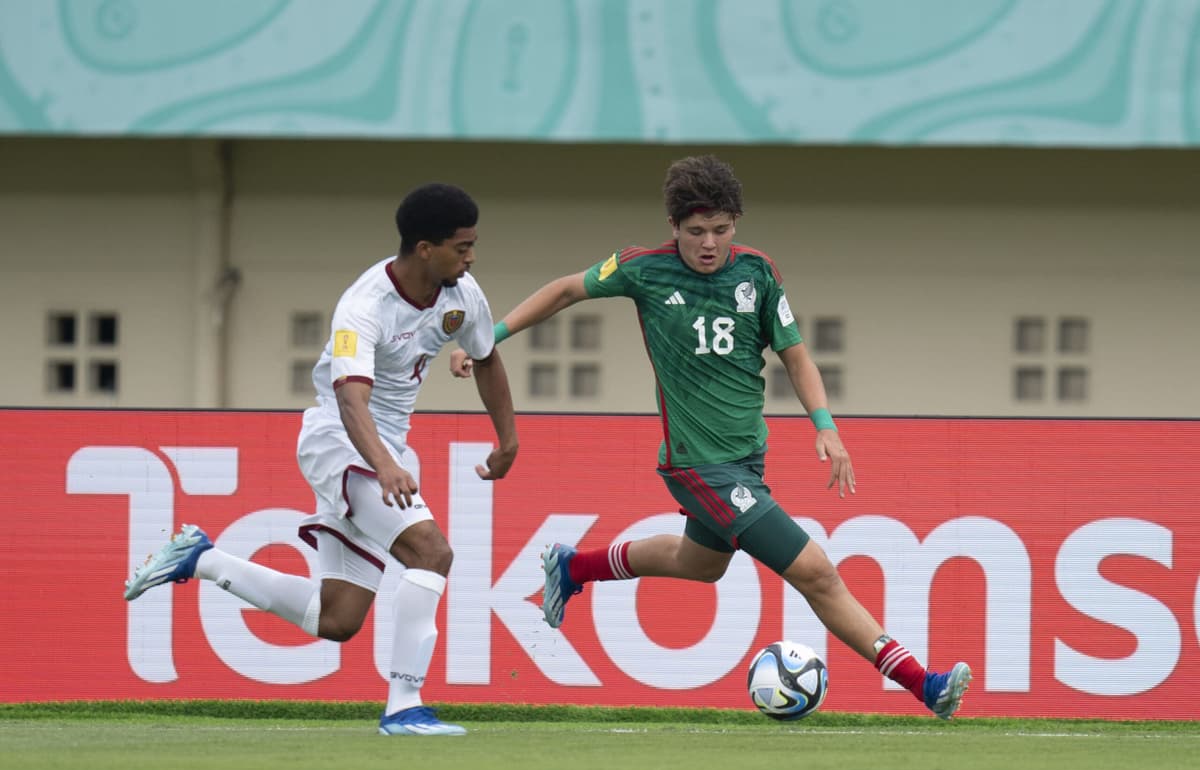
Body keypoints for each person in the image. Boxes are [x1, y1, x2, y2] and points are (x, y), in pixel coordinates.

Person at [450, 155, 971, 719]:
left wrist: (826, 427)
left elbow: (796, 357)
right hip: (697, 465)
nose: (709, 243)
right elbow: (564, 291)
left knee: (700, 564)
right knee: (816, 572)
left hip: (746, 462)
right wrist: (488, 338)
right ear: (673, 227)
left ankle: (573, 568)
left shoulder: (759, 273)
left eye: (721, 230)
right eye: (696, 231)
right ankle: (925, 686)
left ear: (736, 224)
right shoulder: (641, 268)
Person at [125, 183, 519, 736]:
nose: (472, 256)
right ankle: (405, 706)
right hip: (340, 441)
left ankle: (200, 559)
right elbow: (349, 398)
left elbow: (486, 358)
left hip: (386, 448)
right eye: (462, 246)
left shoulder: (462, 294)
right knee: (431, 552)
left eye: (474, 244)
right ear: (425, 248)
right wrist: (383, 465)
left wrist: (508, 439)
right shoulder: (364, 305)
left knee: (335, 619)